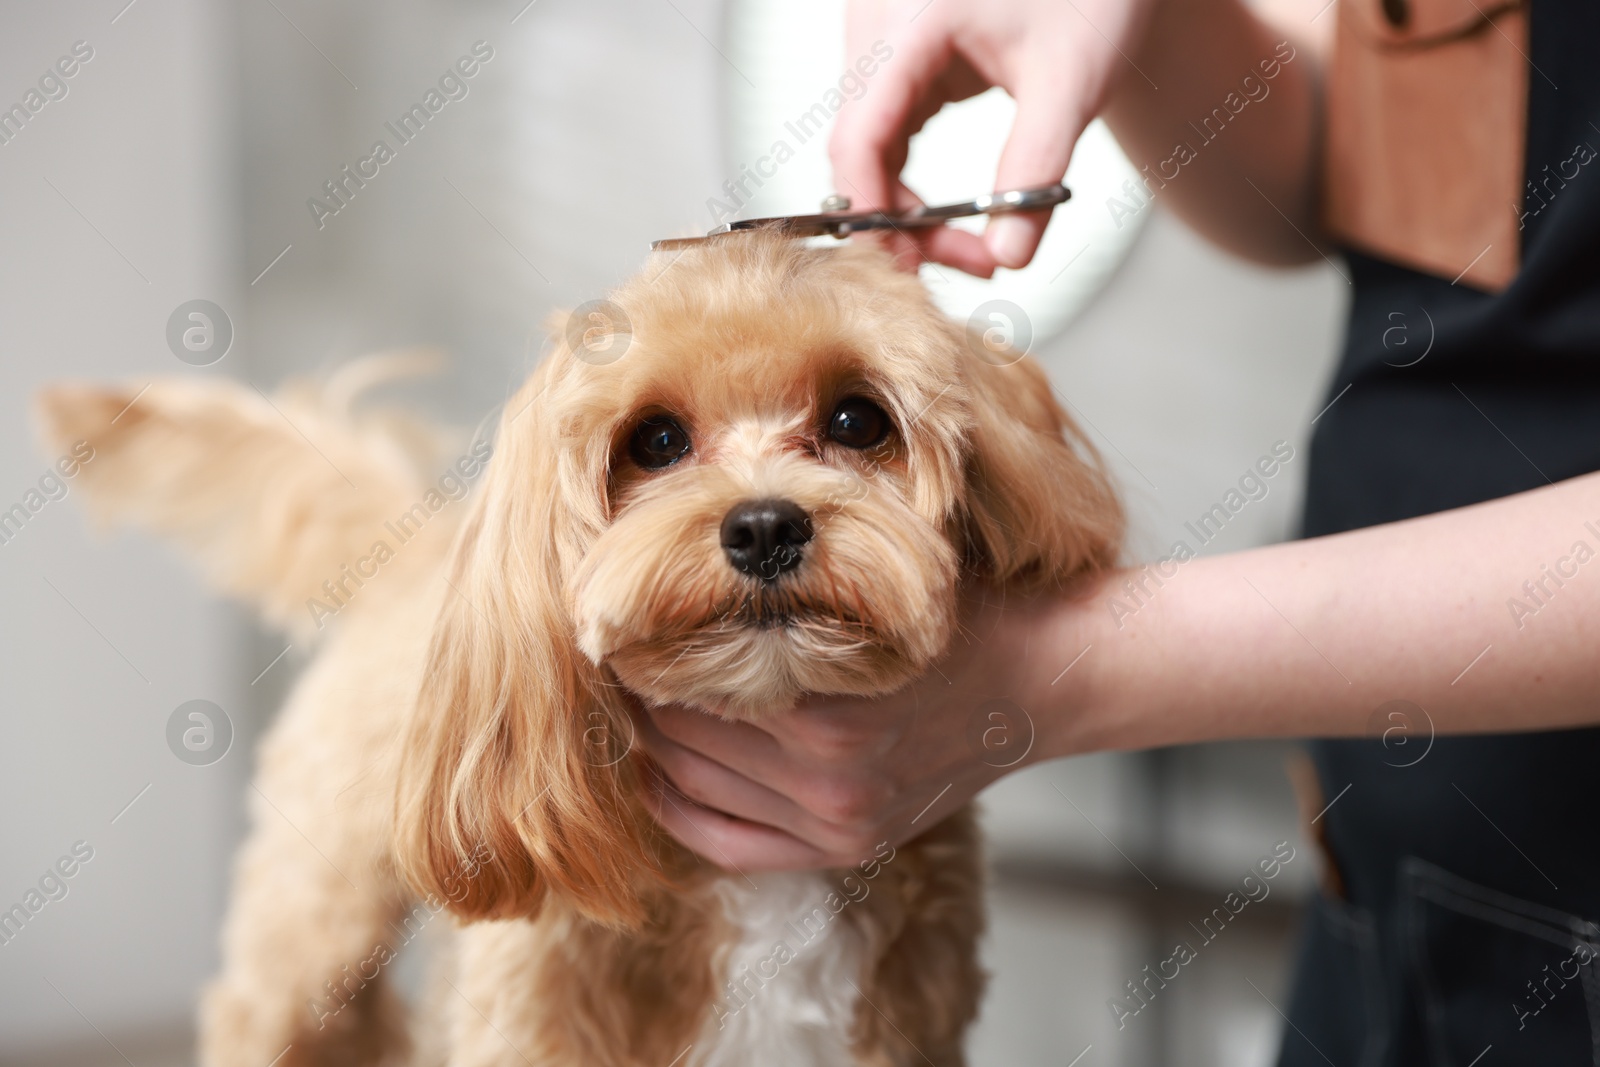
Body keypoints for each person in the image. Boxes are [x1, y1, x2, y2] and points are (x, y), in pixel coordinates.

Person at [637, 0, 1600, 1061]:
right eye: (660, 443)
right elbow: (1376, 154)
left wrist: (1071, 667)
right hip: (1379, 906)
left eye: (854, 424)